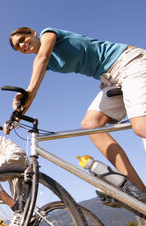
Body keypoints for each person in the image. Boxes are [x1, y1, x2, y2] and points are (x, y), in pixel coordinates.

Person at [8, 26, 146, 201]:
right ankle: (139, 191)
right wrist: (17, 113)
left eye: (22, 40)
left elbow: (41, 59)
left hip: (127, 62)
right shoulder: (48, 64)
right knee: (90, 125)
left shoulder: (48, 34)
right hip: (111, 79)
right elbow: (36, 86)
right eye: (17, 47)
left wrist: (28, 92)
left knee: (141, 127)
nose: (22, 46)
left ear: (32, 33)